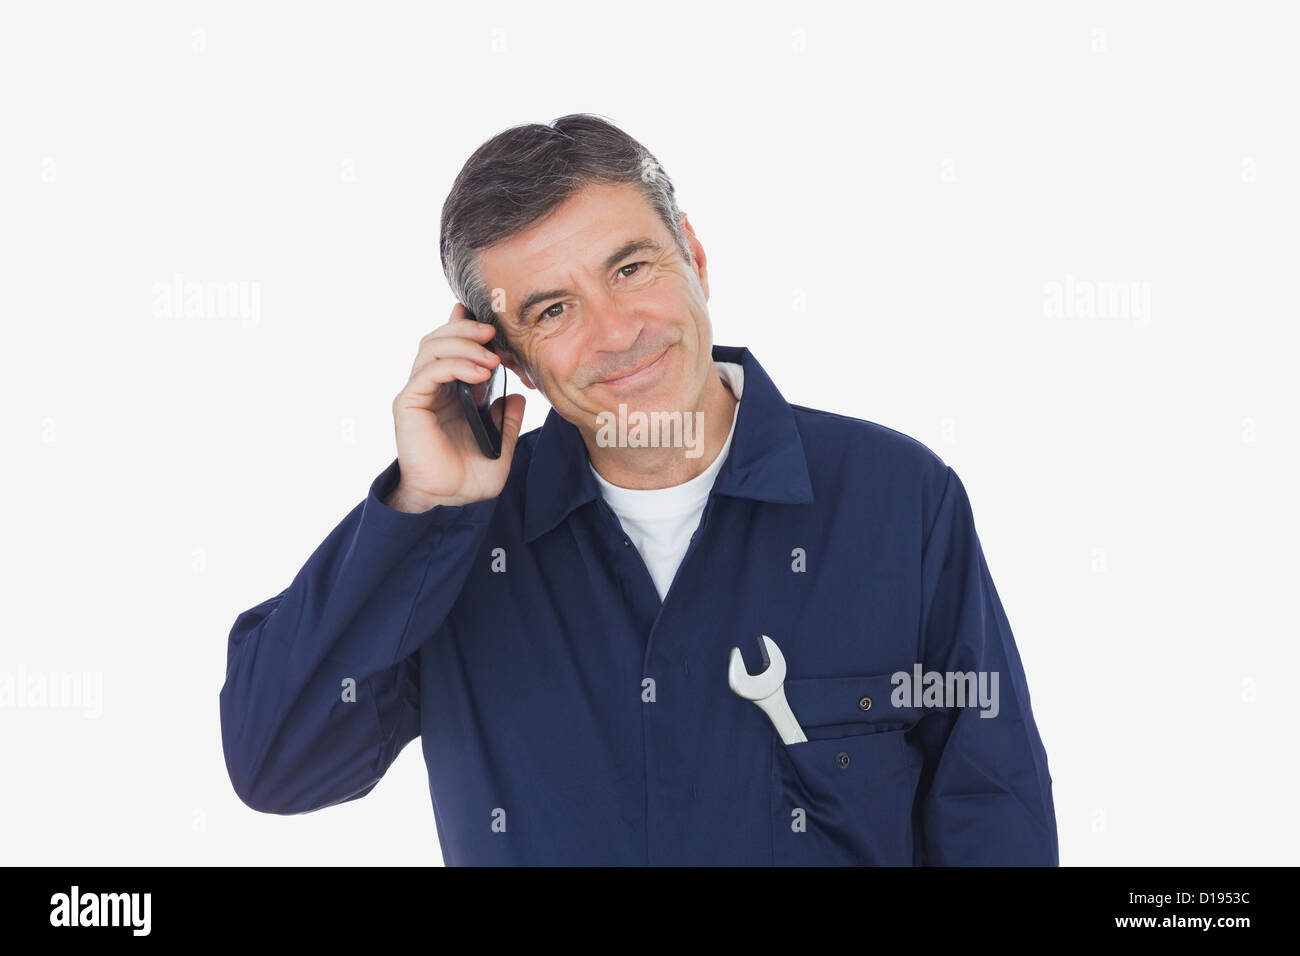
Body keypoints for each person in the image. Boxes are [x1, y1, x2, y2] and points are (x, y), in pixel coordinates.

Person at [219, 113, 1058, 866]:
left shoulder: (898, 500)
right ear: (505, 360)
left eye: (630, 268)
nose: (617, 335)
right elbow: (276, 762)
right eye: (552, 311)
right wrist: (420, 508)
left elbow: (994, 810)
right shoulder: (455, 544)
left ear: (692, 254)